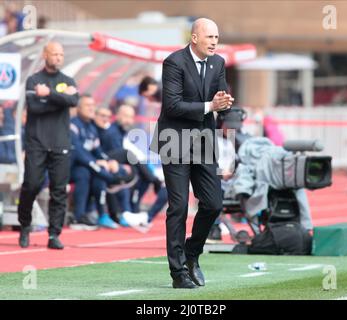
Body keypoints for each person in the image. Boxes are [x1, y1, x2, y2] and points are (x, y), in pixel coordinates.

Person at [150, 18, 234, 288]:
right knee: (178, 208)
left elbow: (222, 102)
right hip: (174, 139)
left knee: (213, 204)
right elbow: (173, 106)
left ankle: (191, 254)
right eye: (209, 37)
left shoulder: (218, 63)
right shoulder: (173, 62)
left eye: (217, 38)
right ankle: (178, 274)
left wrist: (224, 105)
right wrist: (211, 105)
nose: (214, 42)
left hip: (203, 141)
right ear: (194, 37)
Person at [17, 42, 79, 249]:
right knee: (31, 185)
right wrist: (62, 97)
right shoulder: (33, 80)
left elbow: (73, 101)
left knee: (59, 190)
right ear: (45, 55)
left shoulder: (68, 80)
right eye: (55, 54)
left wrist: (49, 95)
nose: (59, 57)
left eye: (61, 54)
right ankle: (25, 225)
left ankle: (54, 235)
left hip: (61, 144)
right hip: (37, 143)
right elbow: (35, 107)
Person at [69, 95, 134, 230]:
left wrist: (109, 161)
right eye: (88, 105)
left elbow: (98, 151)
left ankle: (103, 214)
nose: (91, 108)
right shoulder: (73, 125)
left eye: (93, 105)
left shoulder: (91, 129)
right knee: (86, 173)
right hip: (70, 168)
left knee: (105, 172)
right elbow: (78, 153)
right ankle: (79, 216)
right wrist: (98, 164)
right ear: (79, 108)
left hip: (88, 166)